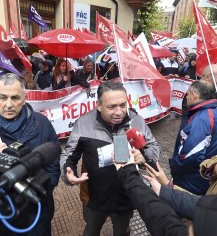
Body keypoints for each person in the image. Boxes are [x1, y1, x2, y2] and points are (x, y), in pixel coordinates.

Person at [60, 80, 160, 236]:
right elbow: (69, 155)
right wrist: (68, 172)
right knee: (91, 230)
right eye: (112, 107)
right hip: (94, 197)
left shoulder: (136, 120)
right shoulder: (83, 123)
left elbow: (153, 147)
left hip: (126, 196)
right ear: (99, 105)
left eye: (122, 105)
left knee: (122, 231)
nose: (119, 112)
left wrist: (144, 156)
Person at [0, 73, 60, 236]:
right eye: (3, 98)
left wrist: (48, 186)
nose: (9, 104)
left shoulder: (42, 123)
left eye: (15, 98)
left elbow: (53, 158)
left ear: (25, 98)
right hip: (3, 211)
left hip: (38, 208)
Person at [170, 81, 217, 195]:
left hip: (193, 182)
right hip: (205, 175)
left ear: (194, 95)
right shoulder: (213, 110)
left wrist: (174, 166)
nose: (186, 97)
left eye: (187, 94)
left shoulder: (201, 119)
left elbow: (190, 156)